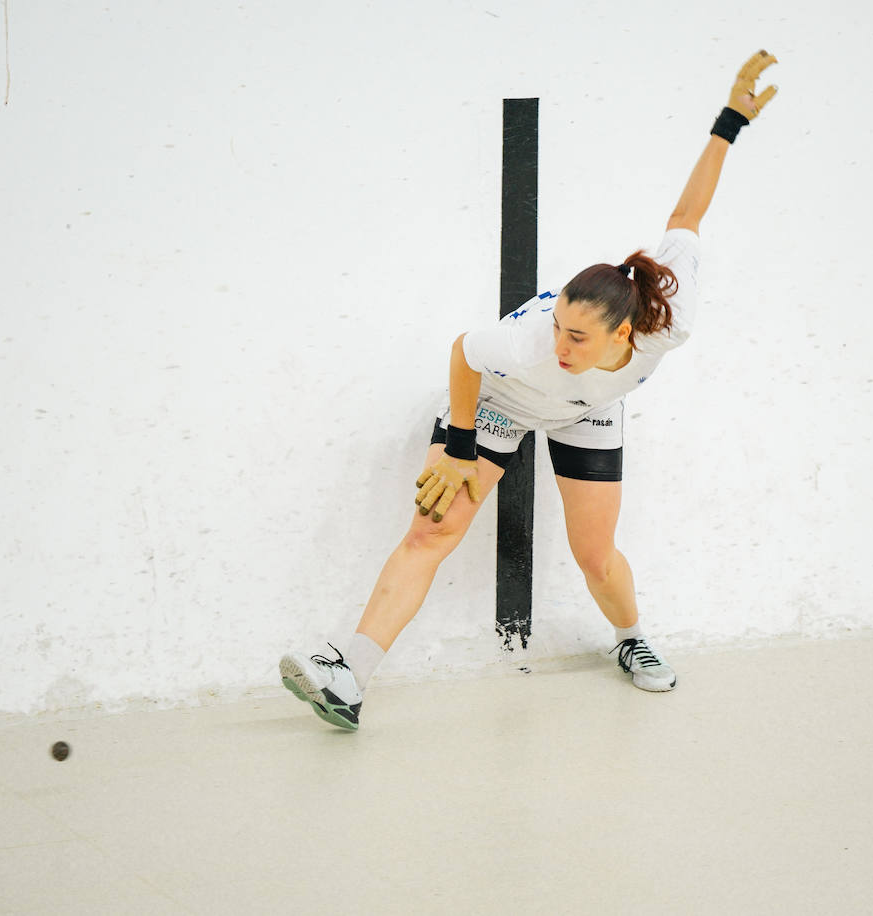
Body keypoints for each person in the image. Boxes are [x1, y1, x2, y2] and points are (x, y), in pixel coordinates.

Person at [280, 50, 778, 731]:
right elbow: (463, 352)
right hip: (495, 404)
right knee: (434, 530)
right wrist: (459, 448)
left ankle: (630, 637)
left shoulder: (670, 322)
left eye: (579, 338)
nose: (561, 345)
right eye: (560, 328)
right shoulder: (529, 341)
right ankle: (348, 675)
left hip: (589, 414)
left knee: (596, 556)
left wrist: (729, 122)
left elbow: (688, 214)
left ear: (623, 334)